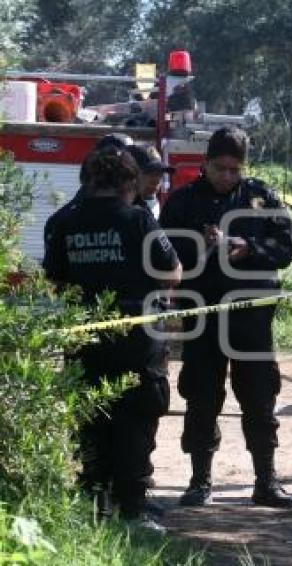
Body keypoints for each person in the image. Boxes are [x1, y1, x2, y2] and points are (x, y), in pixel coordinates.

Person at [42, 145, 182, 530]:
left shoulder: (62, 223)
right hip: (137, 344)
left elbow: (53, 281)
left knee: (90, 421)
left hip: (85, 343)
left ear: (86, 181)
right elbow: (171, 273)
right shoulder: (138, 220)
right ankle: (133, 512)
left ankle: (92, 509)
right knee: (135, 423)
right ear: (128, 183)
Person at [158, 126, 292, 508]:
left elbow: (287, 248)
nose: (226, 176)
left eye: (234, 169)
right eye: (219, 167)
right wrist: (196, 244)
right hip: (203, 317)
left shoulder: (261, 197)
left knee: (259, 396)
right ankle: (199, 481)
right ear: (205, 164)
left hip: (251, 318)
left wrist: (247, 247)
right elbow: (162, 253)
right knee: (202, 395)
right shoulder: (183, 202)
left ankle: (266, 482)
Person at [126, 144, 174, 219]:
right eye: (149, 172)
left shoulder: (163, 207)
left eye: (160, 173)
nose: (157, 180)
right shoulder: (116, 209)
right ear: (130, 174)